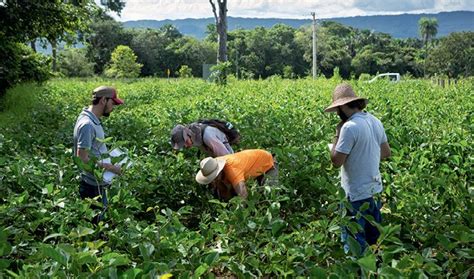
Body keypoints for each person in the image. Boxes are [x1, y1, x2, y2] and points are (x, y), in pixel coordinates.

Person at [325, 83, 391, 254]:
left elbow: (336, 161)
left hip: (354, 195)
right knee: (374, 242)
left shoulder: (348, 127)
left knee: (355, 245)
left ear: (342, 107)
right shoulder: (375, 120)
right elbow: (385, 153)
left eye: (338, 109)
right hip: (374, 190)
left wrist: (337, 134)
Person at [73, 86, 124, 223]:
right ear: (103, 100)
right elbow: (82, 158)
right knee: (96, 226)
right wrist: (112, 168)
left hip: (98, 182)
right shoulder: (87, 124)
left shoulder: (89, 117)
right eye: (112, 103)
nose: (113, 107)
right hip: (93, 186)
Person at [195, 149, 278, 200]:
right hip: (254, 166)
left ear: (218, 172)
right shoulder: (212, 164)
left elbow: (243, 195)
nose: (213, 181)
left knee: (270, 195)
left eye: (213, 178)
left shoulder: (232, 170)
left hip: (267, 163)